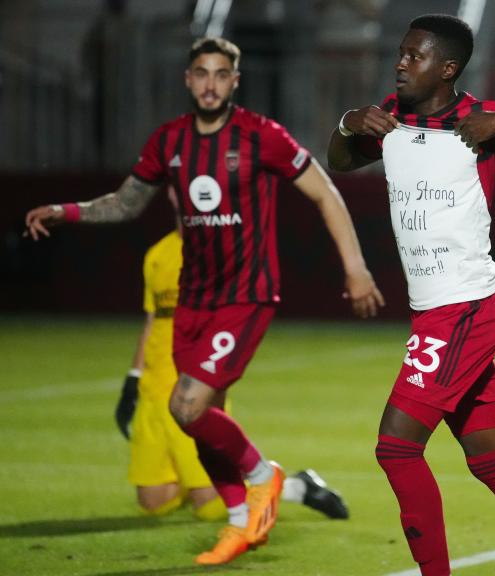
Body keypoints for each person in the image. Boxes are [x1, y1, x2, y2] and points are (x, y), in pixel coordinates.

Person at [25, 36, 384, 565]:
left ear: (234, 81)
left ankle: (265, 477)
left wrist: (355, 268)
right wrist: (68, 210)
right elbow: (126, 202)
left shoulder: (262, 136)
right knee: (198, 416)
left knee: (186, 405)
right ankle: (240, 523)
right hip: (193, 300)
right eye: (201, 73)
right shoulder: (169, 141)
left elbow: (325, 193)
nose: (210, 83)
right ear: (188, 80)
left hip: (246, 295)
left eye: (221, 74)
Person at [327, 14, 495, 576]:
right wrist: (346, 123)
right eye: (401, 54)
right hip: (434, 311)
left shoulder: (480, 122)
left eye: (414, 56)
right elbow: (341, 158)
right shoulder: (391, 116)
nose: (400, 63)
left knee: (397, 448)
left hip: (465, 309)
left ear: (448, 68)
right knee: (493, 459)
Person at [116, 195, 350, 522]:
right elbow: (152, 320)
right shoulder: (157, 254)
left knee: (212, 508)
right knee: (154, 502)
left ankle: (296, 487)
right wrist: (133, 378)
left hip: (190, 389)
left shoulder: (214, 252)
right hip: (152, 394)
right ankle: (203, 481)